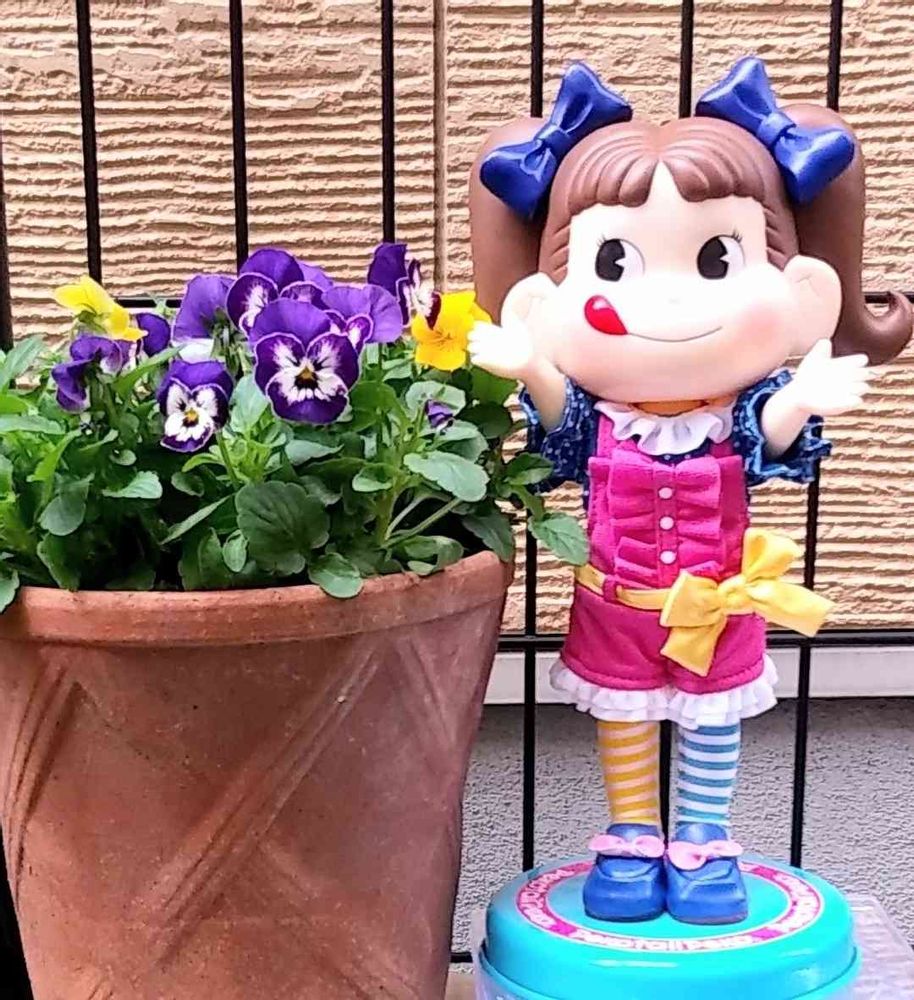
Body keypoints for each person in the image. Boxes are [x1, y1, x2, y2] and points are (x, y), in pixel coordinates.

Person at [467, 56, 912, 925]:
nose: (667, 302)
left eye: (717, 258)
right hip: (618, 606)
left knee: (713, 723)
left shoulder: (735, 415)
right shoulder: (601, 421)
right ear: (542, 299)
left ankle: (704, 842)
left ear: (803, 289)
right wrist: (533, 371)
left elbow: (767, 441)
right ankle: (633, 837)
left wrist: (798, 401)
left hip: (720, 602)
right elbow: (561, 439)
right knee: (625, 721)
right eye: (614, 262)